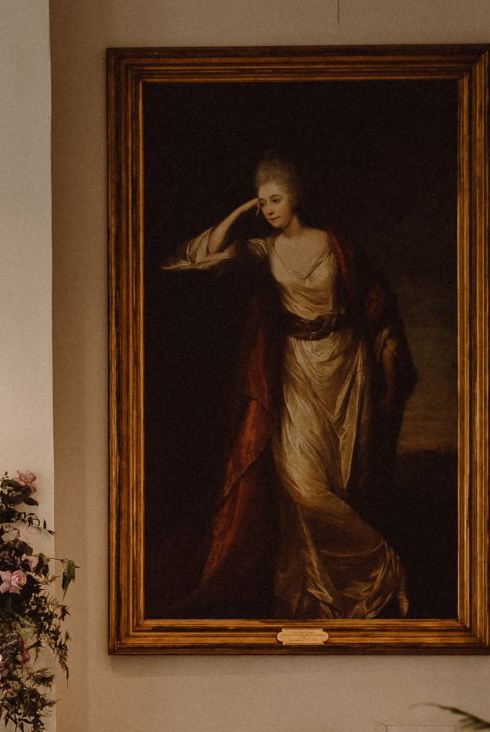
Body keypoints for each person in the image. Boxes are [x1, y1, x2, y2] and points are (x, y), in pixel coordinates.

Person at [164, 153, 416, 618]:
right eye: (261, 203)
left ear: (295, 196)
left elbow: (377, 307)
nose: (268, 210)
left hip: (346, 367)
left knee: (342, 484)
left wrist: (389, 371)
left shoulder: (337, 246)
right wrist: (241, 211)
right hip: (297, 368)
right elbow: (198, 255)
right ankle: (384, 566)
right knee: (302, 485)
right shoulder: (263, 249)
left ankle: (335, 594)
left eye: (275, 199)